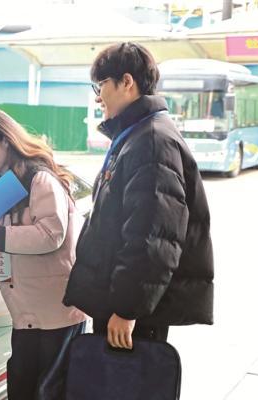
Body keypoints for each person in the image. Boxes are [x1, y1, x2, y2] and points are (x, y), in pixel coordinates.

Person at [63, 42, 214, 350]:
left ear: (127, 82)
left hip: (133, 313)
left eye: (101, 84)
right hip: (123, 301)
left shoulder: (151, 141)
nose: (98, 96)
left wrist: (127, 309)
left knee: (127, 379)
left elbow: (153, 236)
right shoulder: (137, 134)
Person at [0, 108, 87, 400]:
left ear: (5, 140)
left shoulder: (39, 179)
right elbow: (2, 243)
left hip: (56, 313)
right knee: (23, 395)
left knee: (50, 398)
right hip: (25, 313)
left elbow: (51, 235)